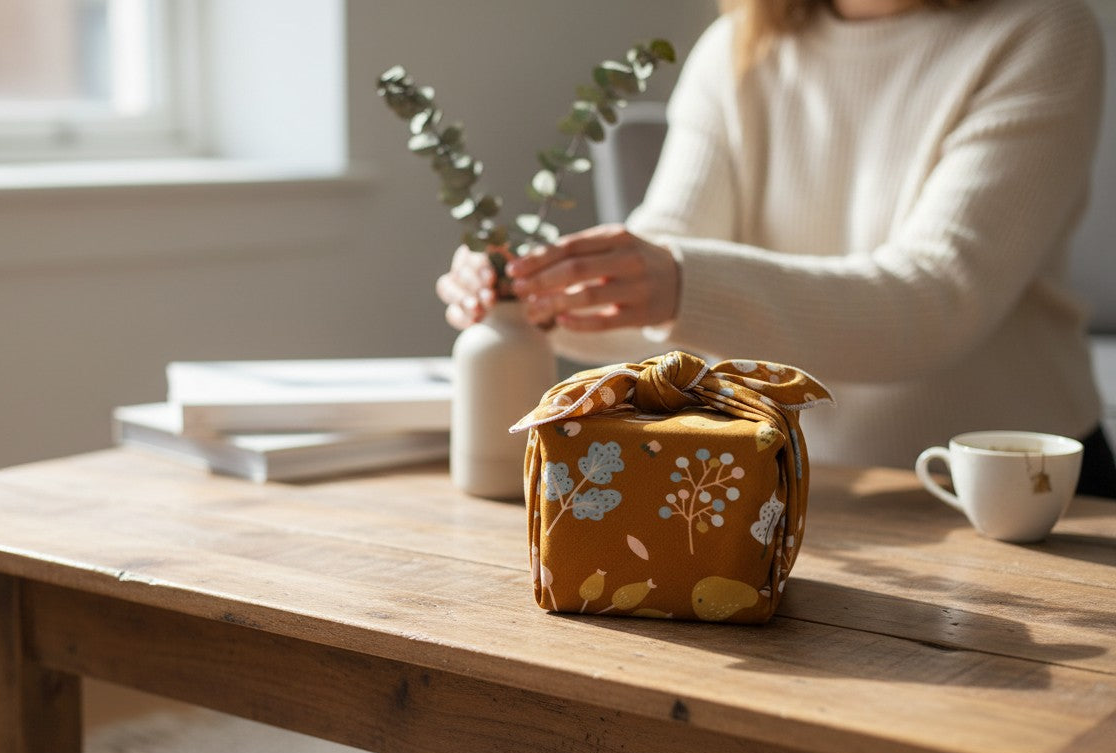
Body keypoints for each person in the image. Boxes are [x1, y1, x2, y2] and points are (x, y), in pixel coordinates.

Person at [436, 0, 1116, 498]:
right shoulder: (736, 46)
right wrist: (538, 294)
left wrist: (672, 282)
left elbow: (937, 299)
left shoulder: (1044, 30)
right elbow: (668, 282)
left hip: (1020, 493)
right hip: (784, 489)